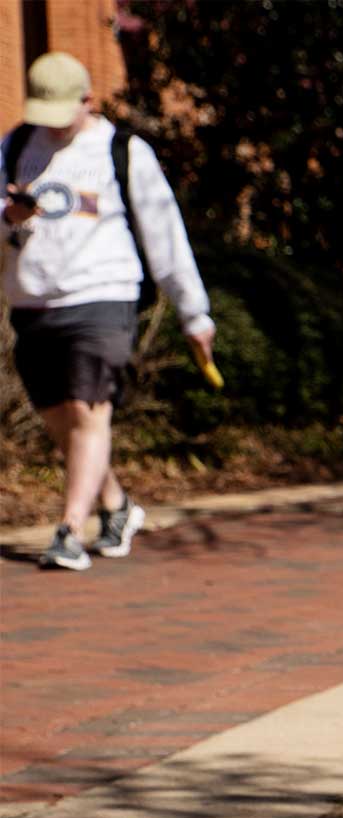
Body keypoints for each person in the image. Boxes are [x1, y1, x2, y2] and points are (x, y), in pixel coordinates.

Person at [4, 52, 212, 572]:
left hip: (103, 294)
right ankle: (117, 506)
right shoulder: (15, 146)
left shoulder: (123, 151)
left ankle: (70, 530)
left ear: (88, 101)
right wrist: (11, 219)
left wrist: (194, 313)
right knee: (62, 422)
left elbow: (166, 237)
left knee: (88, 410)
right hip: (33, 302)